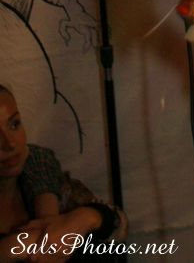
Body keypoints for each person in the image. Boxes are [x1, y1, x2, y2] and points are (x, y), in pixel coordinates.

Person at [0, 83, 126, 261]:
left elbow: (119, 225)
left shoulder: (42, 174)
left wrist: (86, 218)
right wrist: (13, 247)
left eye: (14, 124)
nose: (9, 143)